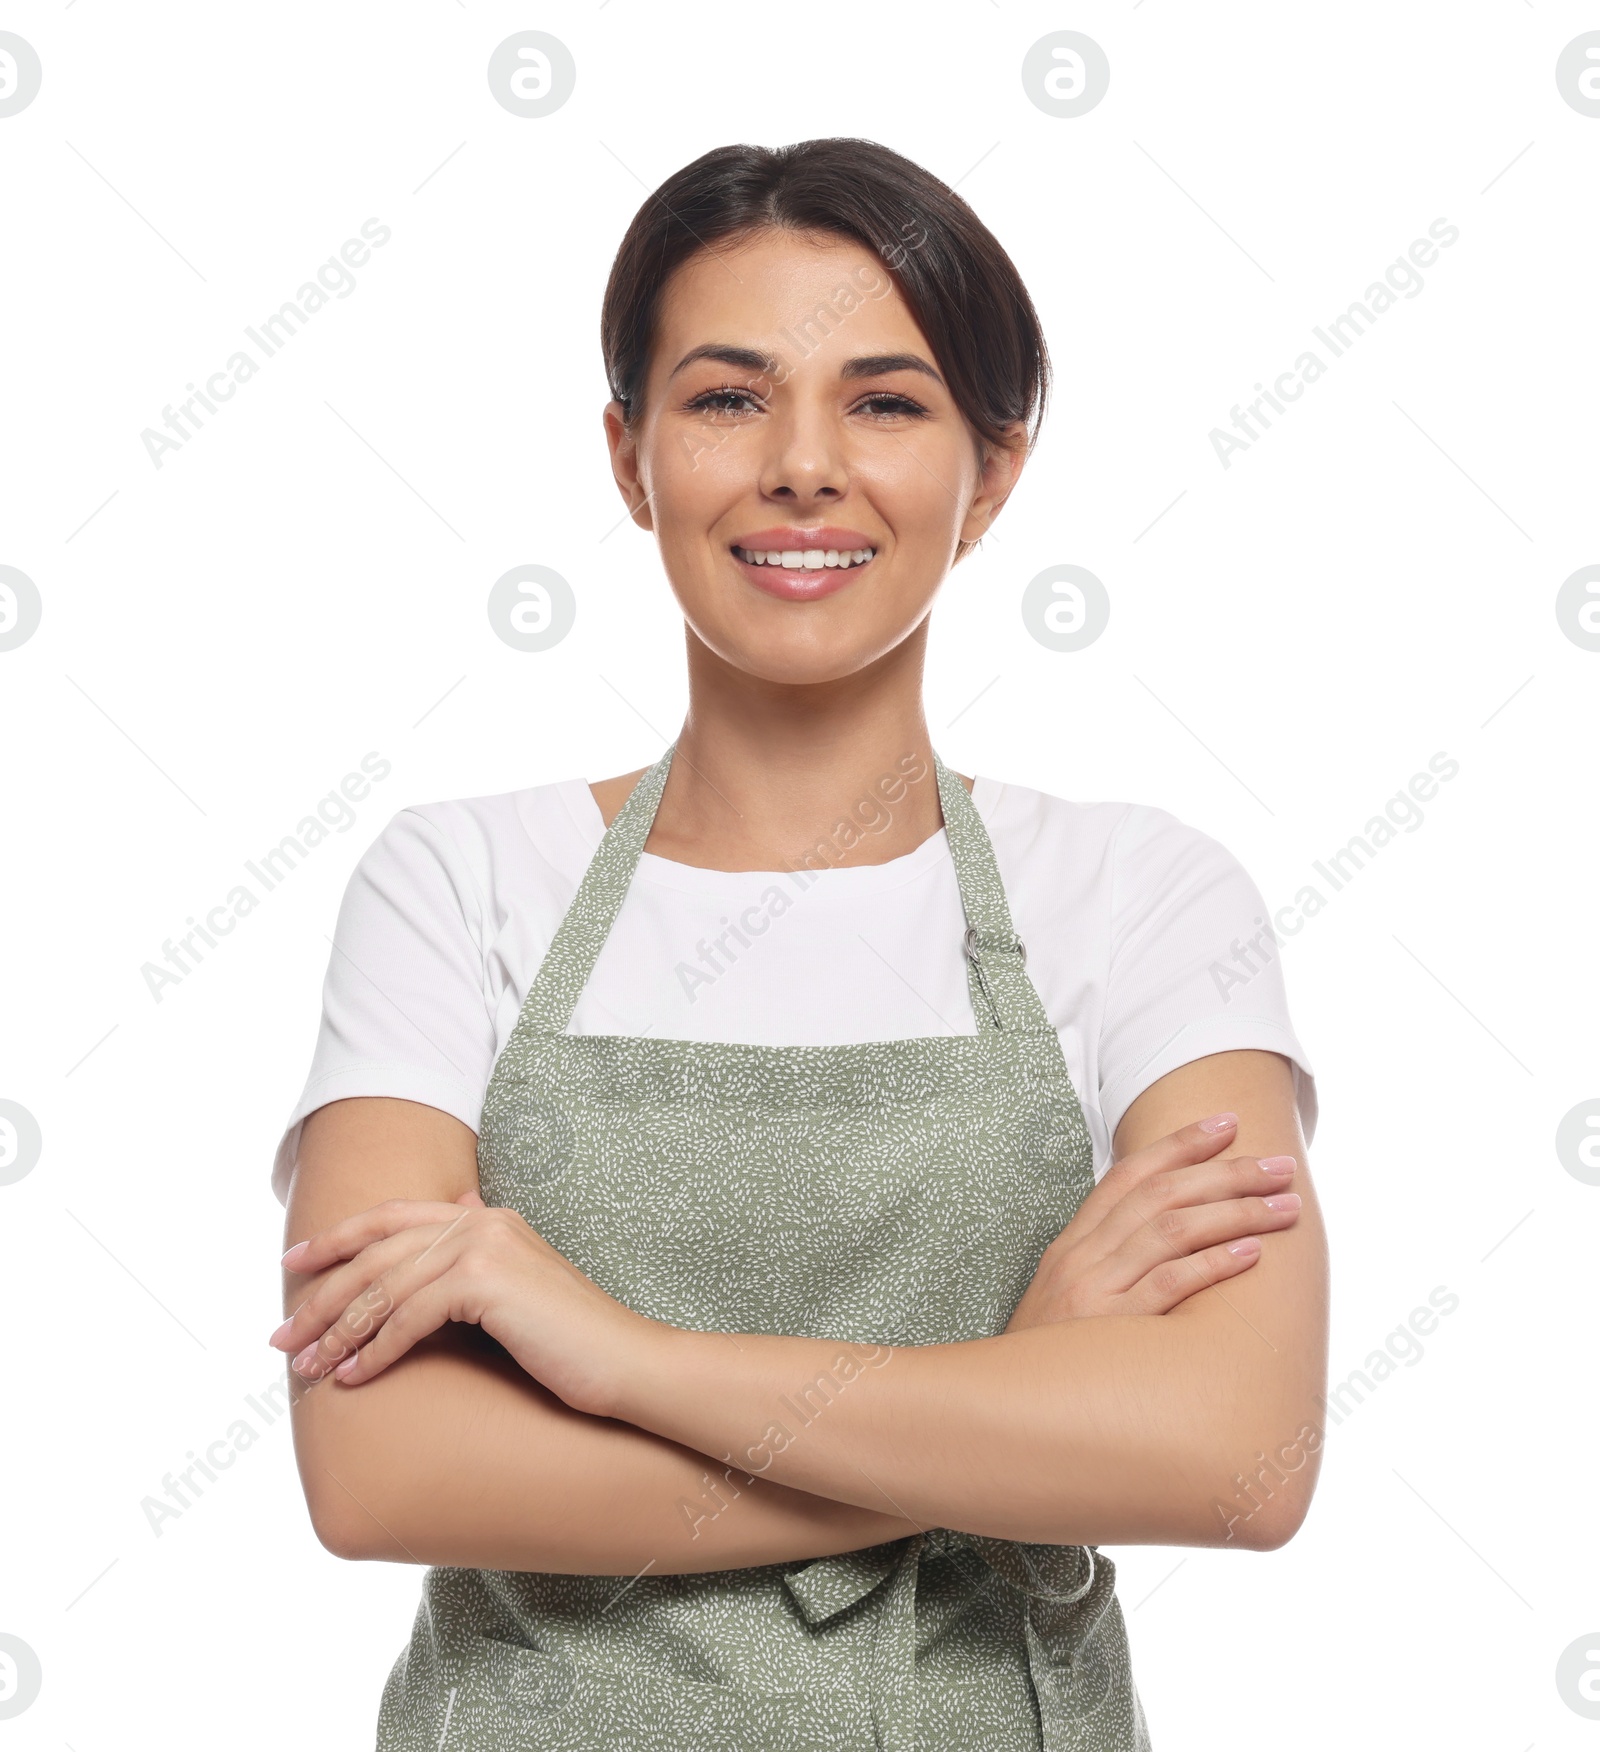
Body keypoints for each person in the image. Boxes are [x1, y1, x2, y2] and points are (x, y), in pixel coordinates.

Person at [269, 137, 1328, 1751]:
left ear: (997, 470)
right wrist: (1006, 1397)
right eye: (726, 398)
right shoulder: (462, 878)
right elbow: (382, 1471)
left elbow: (1236, 1459)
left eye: (887, 403)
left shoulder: (1142, 893)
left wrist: (619, 1360)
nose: (805, 467)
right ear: (629, 459)